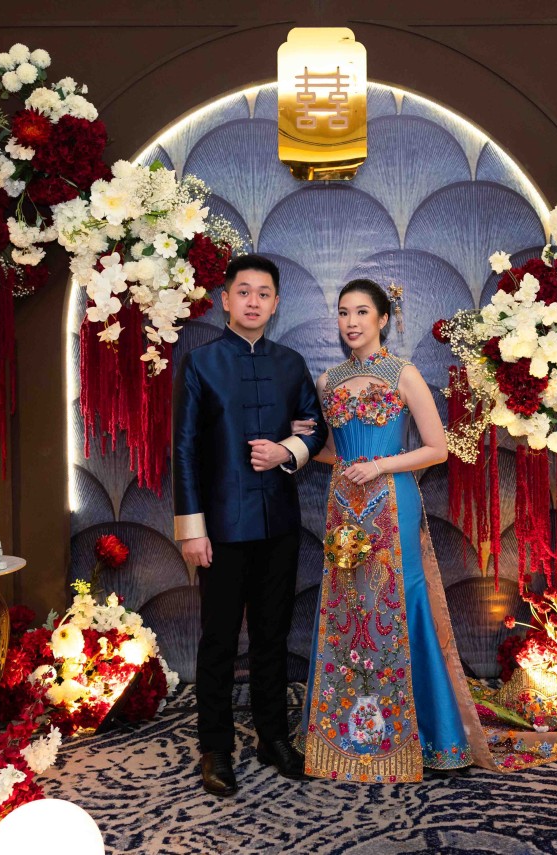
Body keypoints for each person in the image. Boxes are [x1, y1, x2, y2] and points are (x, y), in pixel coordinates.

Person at [294, 279, 493, 782]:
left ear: (383, 319)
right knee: (347, 606)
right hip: (343, 504)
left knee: (398, 603)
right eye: (344, 312)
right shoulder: (329, 380)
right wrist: (301, 444)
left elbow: (437, 449)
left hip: (391, 500)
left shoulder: (403, 374)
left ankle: (426, 735)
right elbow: (335, 451)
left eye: (362, 312)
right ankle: (346, 733)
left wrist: (381, 466)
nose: (352, 322)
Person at [172, 253, 328, 797]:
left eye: (264, 293)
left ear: (276, 303)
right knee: (218, 639)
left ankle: (273, 737)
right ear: (226, 300)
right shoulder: (201, 363)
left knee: (272, 636)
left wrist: (287, 450)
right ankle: (215, 746)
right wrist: (192, 529)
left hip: (280, 523)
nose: (253, 301)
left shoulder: (291, 363)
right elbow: (185, 449)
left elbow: (315, 427)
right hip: (219, 528)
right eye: (244, 292)